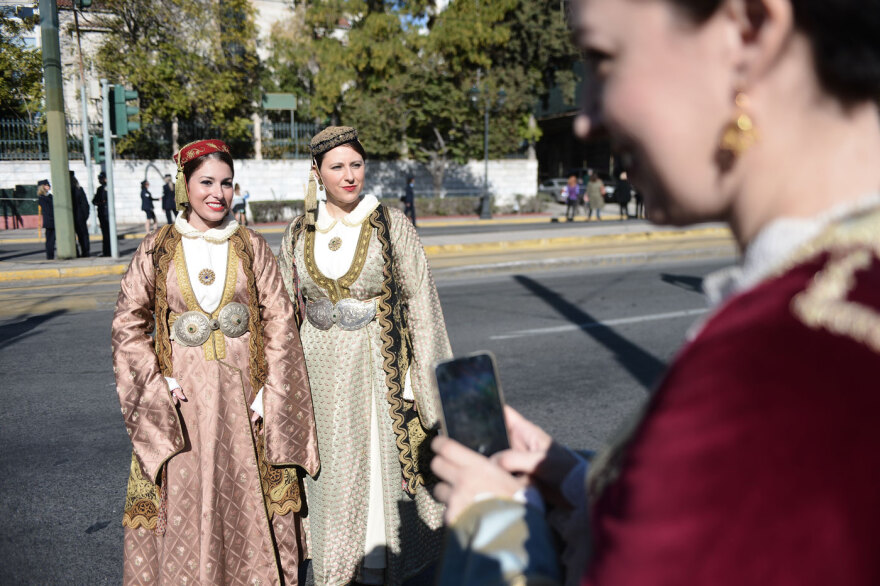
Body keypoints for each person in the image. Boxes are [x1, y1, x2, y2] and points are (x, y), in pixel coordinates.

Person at [431, 0, 880, 584]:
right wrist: (588, 483)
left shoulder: (779, 363)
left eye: (602, 57)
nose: (588, 116)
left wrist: (493, 524)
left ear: (747, 32)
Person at [111, 139, 320, 585]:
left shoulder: (250, 245)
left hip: (247, 401)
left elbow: (281, 318)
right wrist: (156, 383)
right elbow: (128, 323)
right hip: (183, 405)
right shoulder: (157, 247)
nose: (217, 193)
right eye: (206, 182)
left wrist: (272, 391)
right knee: (189, 495)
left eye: (226, 183)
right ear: (184, 185)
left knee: (244, 497)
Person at [278, 126, 452, 585]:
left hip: (377, 369)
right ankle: (337, 568)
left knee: (374, 476)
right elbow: (282, 313)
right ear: (317, 172)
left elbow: (423, 309)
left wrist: (422, 384)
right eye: (337, 167)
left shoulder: (392, 224)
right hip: (317, 374)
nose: (349, 175)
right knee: (329, 479)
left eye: (356, 164)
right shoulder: (298, 232)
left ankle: (375, 570)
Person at [70, 171, 90, 257]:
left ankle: (78, 252)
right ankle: (85, 252)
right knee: (83, 235)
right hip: (79, 217)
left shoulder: (76, 190)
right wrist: (84, 216)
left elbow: (85, 204)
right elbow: (85, 205)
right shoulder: (79, 189)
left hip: (75, 217)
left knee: (76, 236)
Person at [92, 171, 111, 257]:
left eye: (102, 178)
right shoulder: (99, 189)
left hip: (108, 214)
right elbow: (94, 201)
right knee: (105, 234)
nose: (101, 180)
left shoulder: (109, 188)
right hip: (102, 214)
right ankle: (106, 252)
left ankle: (109, 251)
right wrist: (101, 202)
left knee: (108, 234)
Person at [36, 179, 54, 259]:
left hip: (53, 221)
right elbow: (48, 210)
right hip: (50, 222)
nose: (49, 186)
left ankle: (50, 255)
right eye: (47, 185)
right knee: (50, 240)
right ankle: (50, 256)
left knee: (52, 240)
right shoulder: (42, 198)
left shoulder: (50, 196)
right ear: (42, 187)